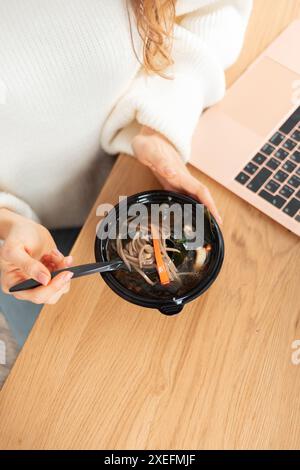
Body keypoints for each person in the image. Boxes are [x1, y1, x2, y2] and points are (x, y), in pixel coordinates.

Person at [0, 0, 252, 346]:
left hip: (136, 165)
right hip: (26, 244)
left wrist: (159, 126)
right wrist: (7, 223)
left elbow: (216, 13)